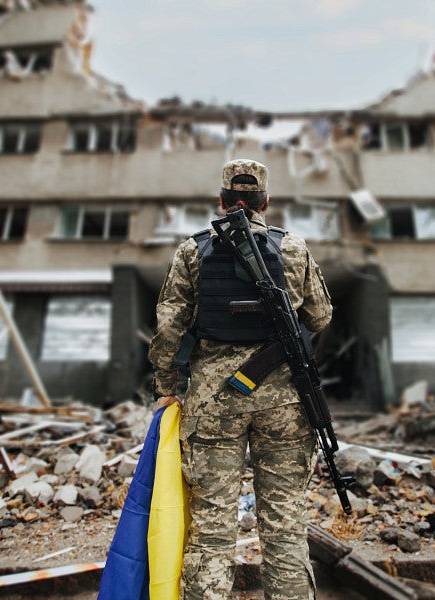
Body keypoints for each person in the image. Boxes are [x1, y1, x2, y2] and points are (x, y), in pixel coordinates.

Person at [148, 158, 333, 600]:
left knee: (212, 529)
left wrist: (166, 389)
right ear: (265, 202)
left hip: (213, 403)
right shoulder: (292, 248)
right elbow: (321, 317)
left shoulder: (192, 251)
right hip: (286, 403)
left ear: (222, 200)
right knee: (285, 527)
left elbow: (169, 328)